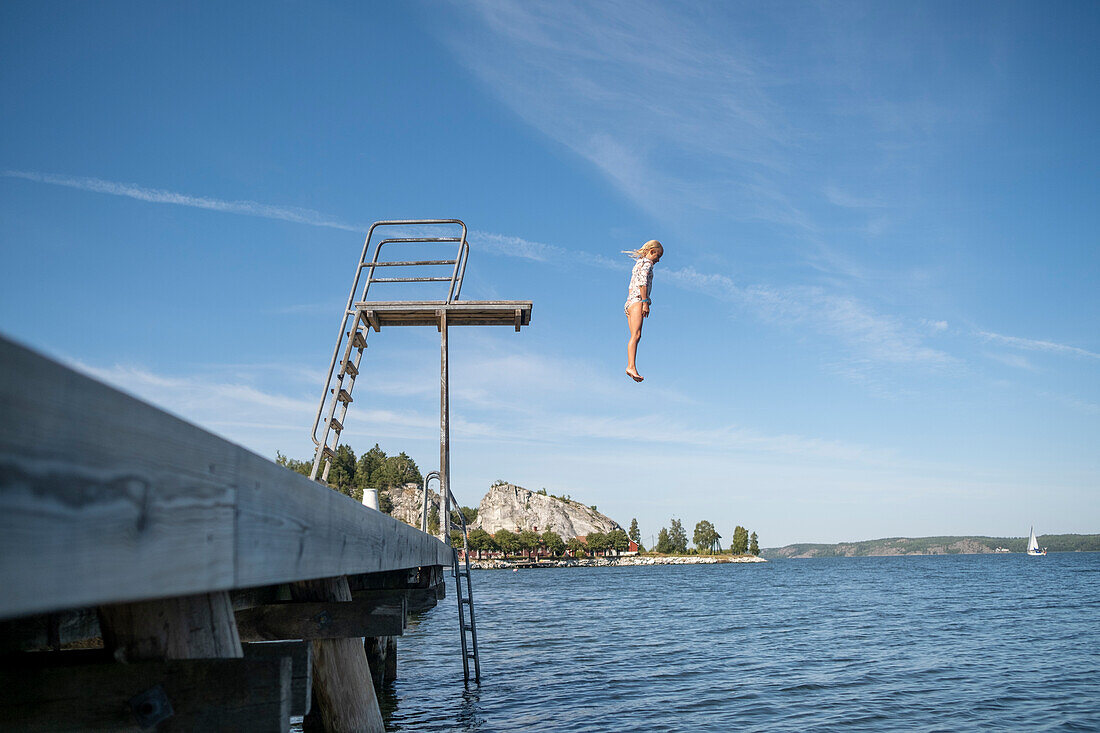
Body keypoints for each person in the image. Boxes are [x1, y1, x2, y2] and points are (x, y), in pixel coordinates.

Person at [623, 239, 663, 382]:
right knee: (636, 335)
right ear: (652, 252)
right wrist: (645, 302)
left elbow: (630, 285)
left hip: (630, 302)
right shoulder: (647, 264)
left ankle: (631, 366)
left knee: (635, 335)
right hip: (638, 300)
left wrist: (629, 303)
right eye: (657, 256)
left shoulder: (637, 264)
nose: (658, 260)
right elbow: (642, 283)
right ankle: (631, 366)